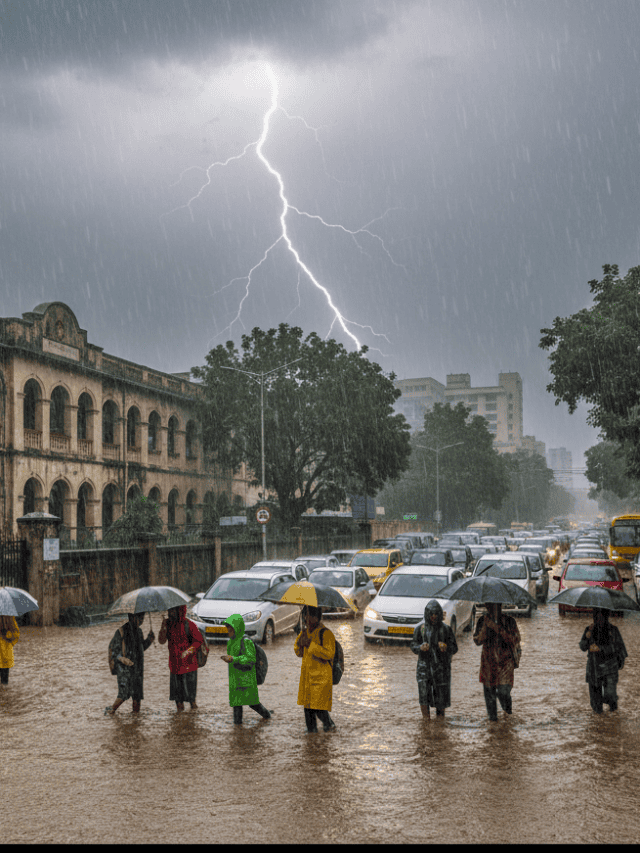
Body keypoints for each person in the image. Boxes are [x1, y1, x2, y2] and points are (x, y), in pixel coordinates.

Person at [410, 600, 458, 719]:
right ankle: (426, 722)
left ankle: (440, 724)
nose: (434, 617)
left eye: (436, 614)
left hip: (441, 669)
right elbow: (413, 645)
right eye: (431, 614)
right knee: (424, 695)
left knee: (441, 698)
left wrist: (446, 648)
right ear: (427, 614)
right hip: (423, 668)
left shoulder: (446, 629)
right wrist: (420, 648)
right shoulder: (420, 629)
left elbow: (454, 648)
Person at [220, 614, 271, 724]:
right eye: (227, 629)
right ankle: (238, 729)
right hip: (235, 680)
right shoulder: (231, 642)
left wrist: (234, 659)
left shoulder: (246, 641)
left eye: (230, 629)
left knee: (253, 703)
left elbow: (250, 659)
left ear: (236, 628)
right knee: (236, 704)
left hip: (246, 679)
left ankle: (267, 716)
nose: (228, 632)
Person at [473, 603, 521, 721]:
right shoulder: (482, 620)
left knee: (504, 692)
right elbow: (477, 641)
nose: (492, 608)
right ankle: (493, 726)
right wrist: (485, 627)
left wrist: (496, 628)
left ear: (500, 606)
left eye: (495, 605)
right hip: (488, 664)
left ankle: (507, 714)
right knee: (490, 698)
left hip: (506, 664)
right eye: (489, 605)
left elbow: (515, 639)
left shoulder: (510, 621)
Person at [294, 605, 336, 733]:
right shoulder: (304, 632)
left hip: (321, 679)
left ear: (317, 617)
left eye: (310, 615)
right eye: (305, 615)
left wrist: (310, 644)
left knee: (318, 708)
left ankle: (329, 725)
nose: (307, 618)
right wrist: (300, 646)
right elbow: (298, 652)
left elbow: (329, 654)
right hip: (307, 678)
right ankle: (312, 736)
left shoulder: (326, 633)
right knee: (308, 709)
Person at [579, 607, 628, 713]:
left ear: (606, 617)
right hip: (593, 669)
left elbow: (619, 648)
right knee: (596, 705)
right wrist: (587, 638)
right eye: (596, 617)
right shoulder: (589, 629)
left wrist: (601, 649)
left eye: (601, 617)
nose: (598, 620)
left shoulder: (613, 630)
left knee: (610, 697)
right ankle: (598, 725)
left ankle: (612, 720)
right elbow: (582, 647)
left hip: (609, 668)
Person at [158, 604, 204, 711]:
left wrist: (188, 651)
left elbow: (199, 641)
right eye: (169, 610)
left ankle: (192, 720)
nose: (170, 613)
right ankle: (180, 721)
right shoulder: (167, 624)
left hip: (190, 667)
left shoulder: (189, 624)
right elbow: (161, 641)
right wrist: (163, 629)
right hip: (174, 667)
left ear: (179, 611)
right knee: (178, 701)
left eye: (173, 610)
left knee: (192, 701)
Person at [107, 612, 154, 714]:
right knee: (124, 694)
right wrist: (122, 659)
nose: (141, 621)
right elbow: (113, 649)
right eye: (139, 618)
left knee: (137, 696)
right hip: (125, 669)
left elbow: (141, 649)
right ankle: (111, 710)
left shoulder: (139, 631)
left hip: (138, 668)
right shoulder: (121, 631)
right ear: (132, 617)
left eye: (143, 618)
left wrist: (149, 640)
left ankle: (135, 719)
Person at [0, 615, 20, 685]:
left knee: (4, 684)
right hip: (5, 656)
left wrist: (7, 634)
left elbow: (16, 635)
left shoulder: (9, 618)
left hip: (5, 657)